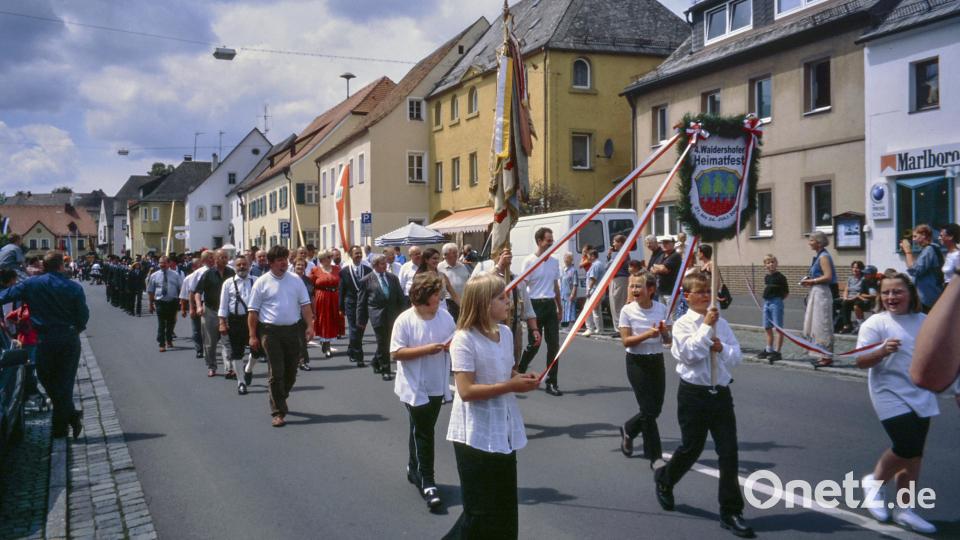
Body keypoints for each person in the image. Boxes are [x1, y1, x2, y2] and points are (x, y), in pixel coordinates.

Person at [654, 271, 754, 538]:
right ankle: (665, 479)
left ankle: (731, 511)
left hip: (720, 393)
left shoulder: (722, 322)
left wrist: (722, 348)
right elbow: (688, 355)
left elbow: (737, 356)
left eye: (709, 292)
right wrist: (706, 327)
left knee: (729, 452)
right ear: (688, 296)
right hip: (693, 395)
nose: (707, 297)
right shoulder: (683, 324)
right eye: (700, 292)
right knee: (691, 447)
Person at [444, 273, 539, 539]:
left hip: (503, 429)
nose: (508, 302)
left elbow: (505, 373)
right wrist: (511, 386)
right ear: (484, 303)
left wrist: (522, 379)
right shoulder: (464, 339)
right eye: (501, 297)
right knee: (478, 513)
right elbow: (466, 391)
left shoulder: (506, 333)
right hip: (473, 435)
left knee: (505, 509)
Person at [855, 272, 939, 534]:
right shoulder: (875, 323)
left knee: (914, 456)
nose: (891, 297)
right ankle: (874, 481)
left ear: (911, 294)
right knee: (907, 445)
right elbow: (860, 361)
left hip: (920, 391)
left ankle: (905, 510)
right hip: (888, 391)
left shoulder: (925, 320)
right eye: (886, 292)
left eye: (897, 292)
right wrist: (881, 351)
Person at [0, 251, 89, 439]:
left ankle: (60, 430)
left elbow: (5, 295)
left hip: (44, 339)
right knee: (64, 382)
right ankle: (71, 416)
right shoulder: (73, 287)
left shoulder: (31, 284)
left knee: (46, 379)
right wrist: (76, 329)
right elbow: (83, 316)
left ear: (43, 266)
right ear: (60, 266)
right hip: (68, 338)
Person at [390, 273, 457, 509]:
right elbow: (396, 353)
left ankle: (413, 467)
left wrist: (451, 347)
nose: (440, 298)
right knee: (425, 432)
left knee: (420, 429)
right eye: (437, 295)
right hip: (413, 385)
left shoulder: (446, 317)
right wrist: (427, 349)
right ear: (425, 296)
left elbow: (455, 342)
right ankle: (428, 481)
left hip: (437, 384)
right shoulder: (405, 320)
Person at [247, 245, 314, 427]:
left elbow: (305, 305)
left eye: (285, 259)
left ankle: (280, 396)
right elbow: (253, 312)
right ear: (270, 263)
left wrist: (310, 326)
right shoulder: (262, 282)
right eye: (279, 260)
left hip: (292, 330)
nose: (283, 263)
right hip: (270, 332)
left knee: (291, 372)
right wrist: (253, 336)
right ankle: (278, 411)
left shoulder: (295, 281)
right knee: (276, 372)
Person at [617, 272, 668, 469]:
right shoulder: (627, 311)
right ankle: (655, 456)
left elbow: (668, 340)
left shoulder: (662, 309)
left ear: (651, 289)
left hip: (656, 361)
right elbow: (625, 341)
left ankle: (629, 429)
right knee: (647, 410)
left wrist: (664, 333)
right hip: (636, 363)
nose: (634, 290)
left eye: (639, 286)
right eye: (632, 286)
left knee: (655, 409)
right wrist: (648, 334)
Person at [518, 227, 563, 396]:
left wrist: (560, 307)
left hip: (550, 305)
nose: (551, 243)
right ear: (539, 242)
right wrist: (525, 310)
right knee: (534, 344)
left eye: (552, 240)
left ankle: (552, 382)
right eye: (548, 240)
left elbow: (555, 286)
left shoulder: (554, 261)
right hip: (535, 306)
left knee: (554, 346)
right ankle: (520, 372)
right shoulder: (529, 261)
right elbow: (523, 287)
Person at [484, 247, 538, 366]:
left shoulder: (517, 280)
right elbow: (482, 286)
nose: (507, 258)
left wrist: (534, 329)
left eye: (509, 255)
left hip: (515, 326)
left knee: (513, 361)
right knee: (495, 360)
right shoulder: (488, 277)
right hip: (494, 326)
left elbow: (528, 308)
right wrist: (499, 266)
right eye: (502, 255)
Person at [358, 254, 404, 380]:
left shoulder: (393, 278)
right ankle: (386, 369)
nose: (385, 266)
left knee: (389, 342)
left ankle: (375, 361)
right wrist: (361, 320)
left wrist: (404, 314)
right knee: (382, 342)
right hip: (377, 315)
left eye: (385, 263)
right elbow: (361, 303)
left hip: (393, 314)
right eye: (382, 264)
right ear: (375, 265)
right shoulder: (366, 280)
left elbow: (400, 297)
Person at [218, 255, 257, 395]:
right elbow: (223, 305)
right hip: (236, 321)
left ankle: (249, 369)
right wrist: (222, 322)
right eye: (239, 265)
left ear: (249, 265)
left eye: (244, 264)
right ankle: (241, 382)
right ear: (234, 267)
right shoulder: (228, 283)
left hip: (253, 319)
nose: (242, 267)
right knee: (237, 352)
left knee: (257, 350)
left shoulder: (256, 281)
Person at [196, 249, 235, 377]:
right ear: (216, 259)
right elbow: (197, 292)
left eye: (226, 257)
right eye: (222, 257)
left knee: (227, 341)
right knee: (210, 343)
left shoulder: (231, 273)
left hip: (226, 312)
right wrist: (198, 306)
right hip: (210, 311)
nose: (225, 260)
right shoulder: (208, 274)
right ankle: (212, 366)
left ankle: (229, 368)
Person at [800, 232, 837, 367]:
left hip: (822, 292)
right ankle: (821, 353)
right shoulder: (819, 256)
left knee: (823, 324)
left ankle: (826, 355)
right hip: (816, 291)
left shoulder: (824, 257)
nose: (809, 242)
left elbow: (828, 276)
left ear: (818, 242)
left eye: (811, 240)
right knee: (816, 324)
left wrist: (812, 281)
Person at [339, 246, 372, 367]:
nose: (358, 255)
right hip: (351, 303)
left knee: (361, 329)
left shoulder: (368, 270)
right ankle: (359, 356)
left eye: (360, 253)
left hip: (364, 305)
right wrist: (341, 307)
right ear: (350, 255)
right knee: (353, 329)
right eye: (356, 253)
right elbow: (341, 290)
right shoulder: (344, 271)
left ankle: (352, 349)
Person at [901, 224, 944, 312]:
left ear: (924, 235)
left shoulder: (929, 250)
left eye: (915, 236)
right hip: (930, 295)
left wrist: (908, 251)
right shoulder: (930, 249)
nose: (913, 239)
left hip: (927, 297)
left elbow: (915, 270)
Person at [147, 256, 183, 353]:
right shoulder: (154, 276)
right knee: (161, 323)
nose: (161, 265)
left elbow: (181, 288)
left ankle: (169, 339)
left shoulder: (175, 275)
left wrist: (182, 303)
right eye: (160, 263)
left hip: (172, 302)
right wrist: (150, 304)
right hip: (160, 302)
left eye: (164, 263)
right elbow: (150, 291)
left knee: (171, 323)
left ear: (168, 263)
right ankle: (162, 344)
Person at [758, 254, 788, 363]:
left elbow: (786, 292)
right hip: (767, 302)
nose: (770, 264)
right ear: (765, 265)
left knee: (778, 328)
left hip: (776, 302)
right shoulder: (767, 277)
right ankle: (769, 349)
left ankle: (777, 352)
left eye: (772, 262)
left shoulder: (781, 277)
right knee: (767, 327)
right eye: (768, 262)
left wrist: (778, 301)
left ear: (776, 263)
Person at [310, 250, 340, 358]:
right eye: (328, 256)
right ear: (322, 259)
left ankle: (328, 342)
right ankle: (326, 344)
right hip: (321, 297)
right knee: (323, 320)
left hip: (334, 297)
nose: (330, 258)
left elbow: (341, 283)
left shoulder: (337, 269)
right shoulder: (315, 270)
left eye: (330, 256)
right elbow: (310, 286)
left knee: (331, 320)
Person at [180, 254, 210, 359]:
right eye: (198, 265)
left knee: (208, 329)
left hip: (208, 304)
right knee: (196, 329)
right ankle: (199, 350)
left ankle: (208, 349)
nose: (200, 266)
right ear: (193, 267)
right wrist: (186, 308)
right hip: (195, 302)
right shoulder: (189, 278)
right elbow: (185, 295)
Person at [415, 248, 460, 314]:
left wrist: (463, 307)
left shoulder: (442, 276)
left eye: (438, 258)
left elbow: (454, 295)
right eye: (434, 258)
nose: (437, 261)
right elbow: (415, 297)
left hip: (442, 308)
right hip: (425, 309)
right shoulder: (419, 277)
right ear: (426, 260)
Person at [437, 243, 470, 321]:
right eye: (454, 253)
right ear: (446, 255)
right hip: (449, 302)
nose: (456, 255)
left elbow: (468, 280)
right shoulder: (439, 267)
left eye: (456, 252)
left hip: (463, 301)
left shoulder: (462, 266)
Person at [839, 261, 872, 334]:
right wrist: (845, 297)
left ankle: (847, 326)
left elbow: (860, 293)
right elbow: (846, 289)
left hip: (858, 298)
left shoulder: (863, 279)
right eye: (853, 267)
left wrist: (848, 299)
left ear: (861, 269)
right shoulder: (850, 278)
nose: (855, 269)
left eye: (857, 268)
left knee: (845, 304)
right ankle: (836, 323)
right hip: (849, 299)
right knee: (835, 302)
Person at [607, 234, 631, 336]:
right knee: (613, 304)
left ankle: (621, 328)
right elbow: (608, 266)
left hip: (621, 279)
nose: (613, 244)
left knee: (619, 304)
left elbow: (613, 266)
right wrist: (609, 256)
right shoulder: (617, 254)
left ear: (620, 243)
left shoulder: (624, 254)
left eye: (614, 242)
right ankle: (617, 327)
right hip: (614, 279)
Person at [293, 257, 315, 371]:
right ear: (294, 266)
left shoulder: (308, 281)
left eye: (302, 265)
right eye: (298, 265)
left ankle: (303, 361)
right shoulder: (289, 279)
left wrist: (313, 313)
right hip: (291, 313)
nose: (300, 267)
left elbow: (312, 297)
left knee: (302, 338)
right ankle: (294, 360)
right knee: (292, 339)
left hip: (305, 313)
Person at [582, 249, 605, 337]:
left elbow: (593, 278)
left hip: (594, 290)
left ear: (593, 256)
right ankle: (599, 329)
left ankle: (590, 328)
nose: (587, 258)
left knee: (587, 310)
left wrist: (588, 290)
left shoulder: (595, 265)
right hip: (599, 290)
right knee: (596, 310)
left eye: (588, 256)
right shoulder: (599, 264)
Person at [650, 236, 681, 302]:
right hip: (661, 291)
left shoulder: (675, 255)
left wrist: (658, 268)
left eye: (666, 242)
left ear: (673, 244)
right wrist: (659, 268)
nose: (664, 244)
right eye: (662, 242)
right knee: (662, 312)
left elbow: (664, 270)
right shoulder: (661, 255)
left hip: (671, 292)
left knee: (671, 312)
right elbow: (652, 268)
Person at [560, 253, 577, 327]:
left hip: (569, 292)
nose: (566, 260)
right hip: (563, 292)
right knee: (563, 308)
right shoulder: (563, 269)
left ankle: (571, 324)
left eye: (568, 258)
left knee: (570, 308)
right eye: (565, 258)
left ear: (571, 260)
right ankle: (564, 323)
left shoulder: (573, 270)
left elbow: (575, 283)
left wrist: (573, 294)